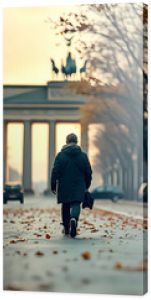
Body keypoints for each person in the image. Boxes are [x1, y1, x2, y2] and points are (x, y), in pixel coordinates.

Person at [51, 133, 92, 238]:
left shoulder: (60, 155)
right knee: (76, 203)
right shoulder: (83, 156)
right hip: (79, 184)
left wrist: (53, 184)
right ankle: (74, 218)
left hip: (64, 184)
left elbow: (55, 171)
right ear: (77, 141)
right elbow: (88, 171)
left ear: (66, 141)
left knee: (65, 205)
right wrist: (87, 184)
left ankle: (66, 227)